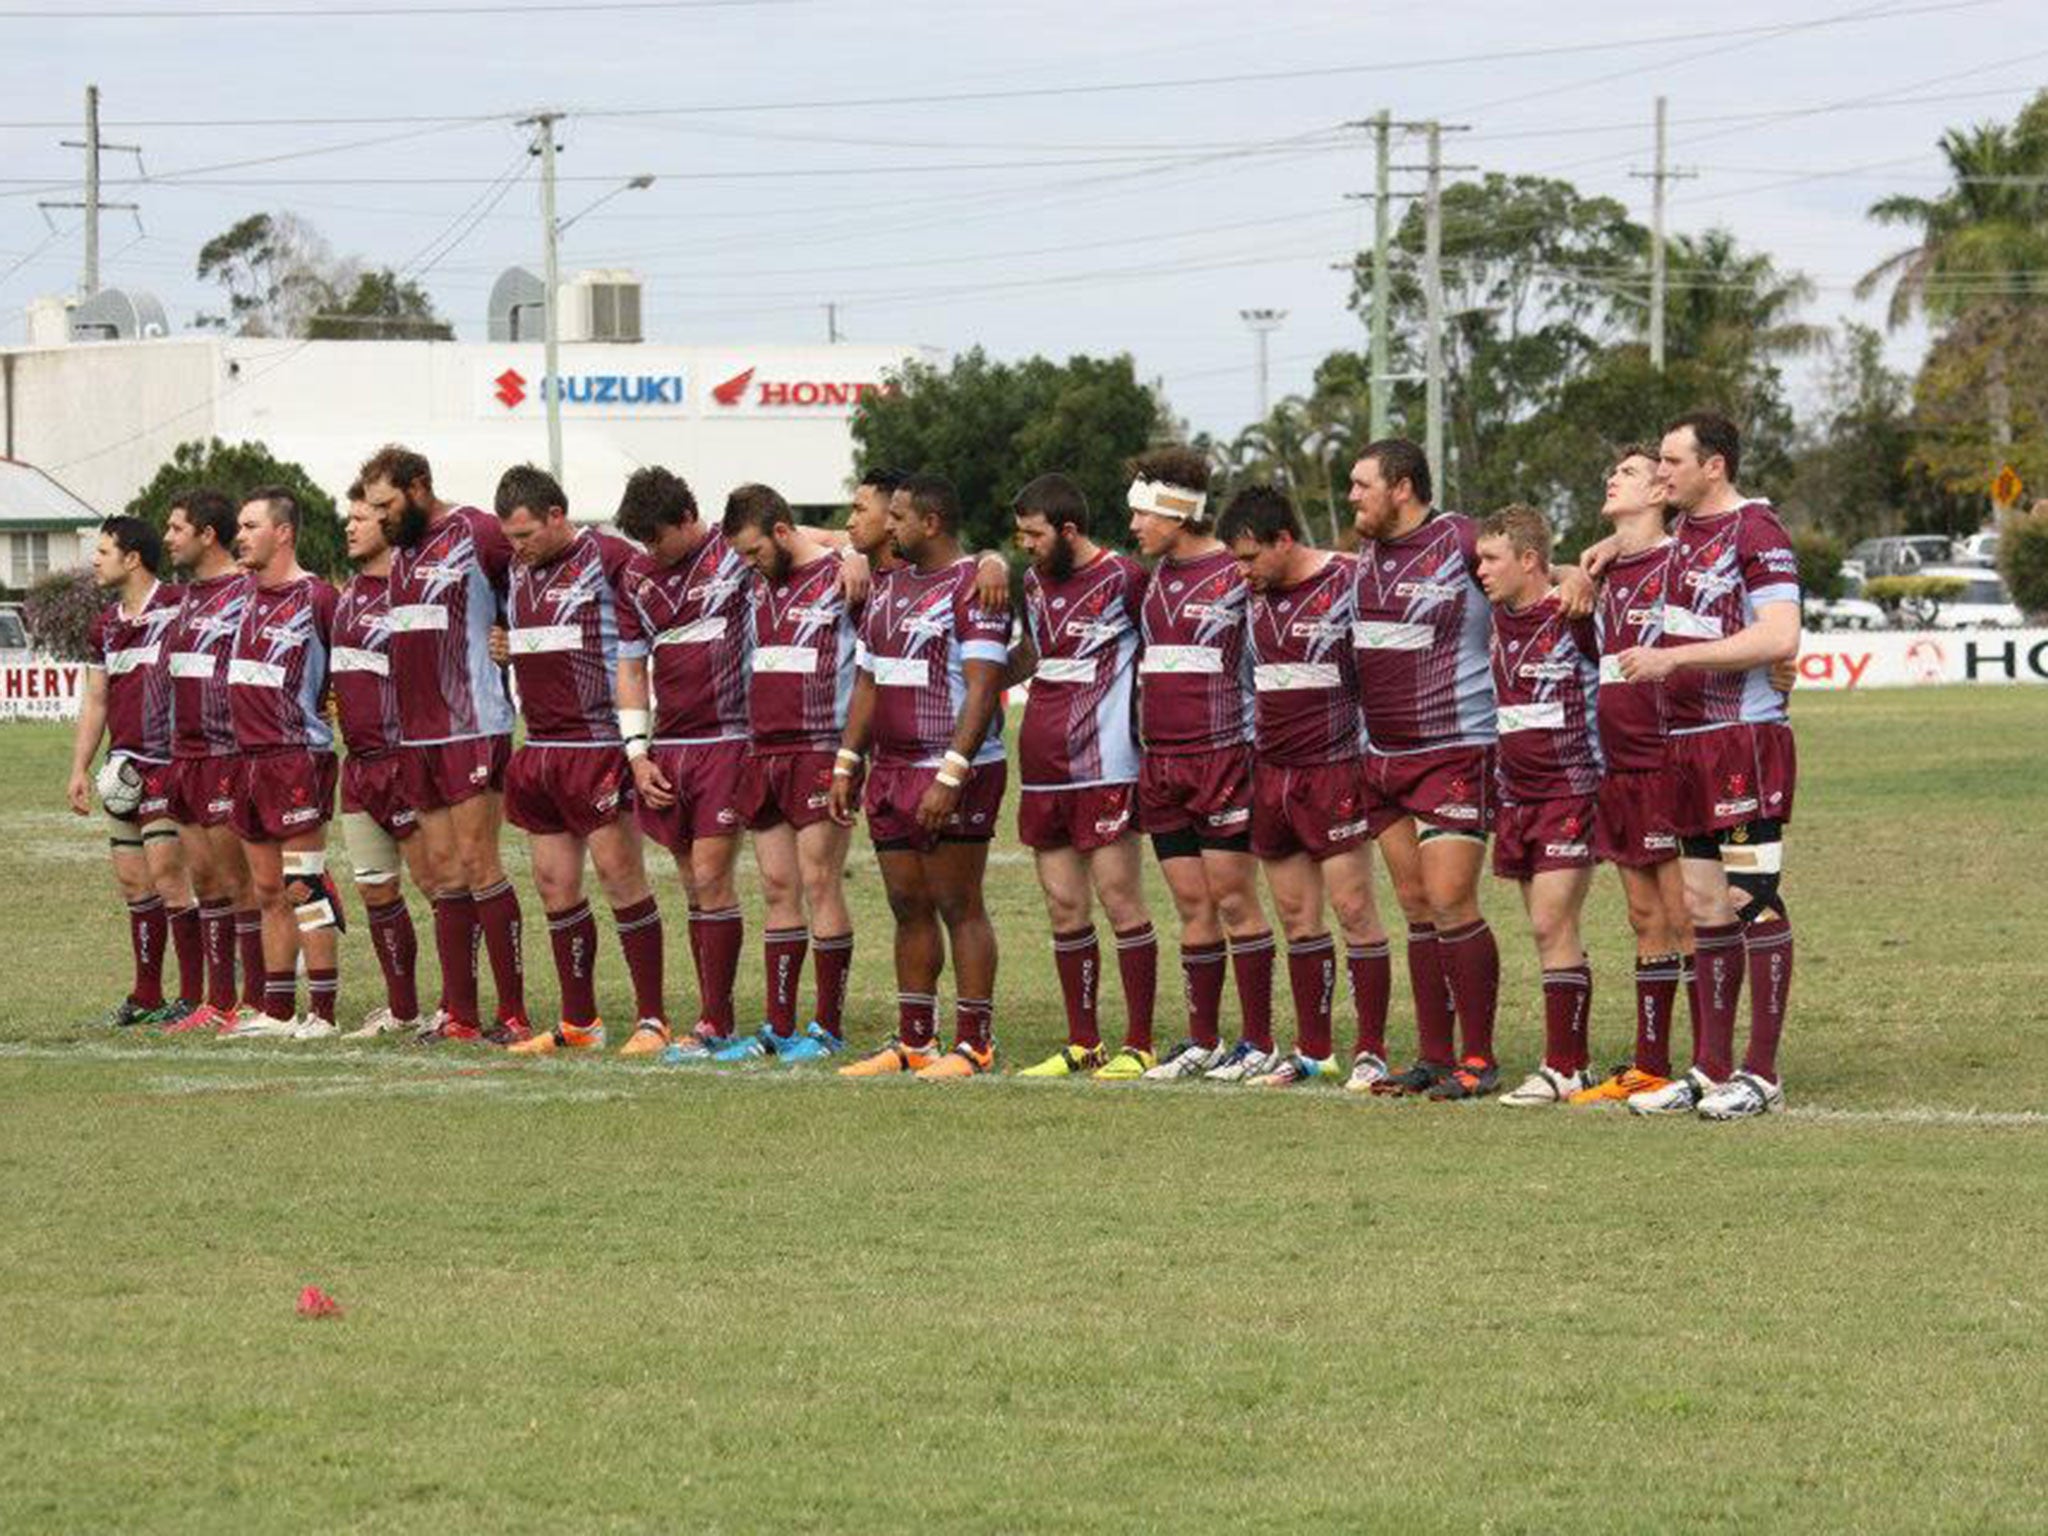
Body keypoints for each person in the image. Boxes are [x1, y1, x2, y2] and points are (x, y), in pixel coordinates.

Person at [1614, 413, 1801, 1121]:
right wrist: (1596, 554)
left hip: (1742, 739)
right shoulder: (1687, 530)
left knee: (1751, 899)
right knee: (1702, 906)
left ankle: (1761, 1073)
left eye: (1671, 461)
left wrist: (1674, 658)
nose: (1661, 473)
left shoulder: (1757, 531)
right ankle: (1708, 1068)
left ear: (1714, 465)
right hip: (1684, 741)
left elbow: (1781, 634)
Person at [486, 465, 670, 1058]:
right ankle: (580, 1021)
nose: (516, 548)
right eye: (510, 538)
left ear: (557, 516)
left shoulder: (611, 556)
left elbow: (651, 620)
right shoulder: (515, 570)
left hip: (597, 746)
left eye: (524, 535)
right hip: (540, 745)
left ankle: (652, 1018)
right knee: (553, 884)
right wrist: (510, 647)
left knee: (621, 877)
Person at [833, 472, 1009, 1081]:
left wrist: (951, 775)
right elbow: (867, 681)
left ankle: (975, 1044)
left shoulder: (975, 585)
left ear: (930, 523)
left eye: (901, 516)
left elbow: (984, 687)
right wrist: (847, 762)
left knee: (958, 903)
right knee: (906, 903)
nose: (892, 525)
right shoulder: (885, 587)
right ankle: (914, 1041)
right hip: (891, 769)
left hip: (953, 769)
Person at [1219, 485, 1391, 1088]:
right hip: (1273, 773)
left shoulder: (1348, 580)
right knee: (1296, 915)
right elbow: (1248, 678)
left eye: (1248, 558)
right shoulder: (1251, 596)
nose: (1240, 572)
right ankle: (1313, 1050)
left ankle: (1372, 1049)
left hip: (1337, 768)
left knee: (1353, 908)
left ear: (1283, 541)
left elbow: (1377, 672)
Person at [1347, 439, 1501, 1099]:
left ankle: (1481, 1058)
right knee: (1414, 905)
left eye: (1361, 485)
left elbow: (1531, 575)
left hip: (1455, 749)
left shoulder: (1463, 540)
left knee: (1450, 900)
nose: (1352, 496)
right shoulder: (1361, 558)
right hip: (1381, 759)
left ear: (1402, 487)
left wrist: (1580, 574)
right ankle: (1436, 1057)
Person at [361, 444, 528, 1044]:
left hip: (473, 725)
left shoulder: (478, 532)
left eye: (386, 505)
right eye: (372, 510)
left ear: (419, 485)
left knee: (480, 863)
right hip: (417, 735)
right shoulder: (401, 550)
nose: (379, 519)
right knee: (442, 875)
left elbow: (533, 583)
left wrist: (516, 634)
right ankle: (460, 1015)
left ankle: (512, 1014)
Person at [1123, 447, 1278, 1083]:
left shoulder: (1240, 573)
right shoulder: (1149, 578)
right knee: (1191, 906)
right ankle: (1203, 1039)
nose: (1133, 527)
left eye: (1142, 515)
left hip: (1225, 759)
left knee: (1236, 900)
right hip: (1161, 764)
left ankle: (1259, 1042)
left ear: (1177, 514)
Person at [1005, 472, 1160, 1081]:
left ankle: (1140, 1042)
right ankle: (1083, 1042)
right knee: (1064, 906)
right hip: (1043, 770)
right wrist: (980, 680)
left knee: (1121, 901)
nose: (1027, 545)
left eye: (1034, 535)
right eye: (1020, 536)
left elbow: (1158, 654)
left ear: (1069, 530)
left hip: (1107, 765)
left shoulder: (1126, 579)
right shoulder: (1032, 581)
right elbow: (1036, 654)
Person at [613, 466, 755, 1059]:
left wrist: (849, 555)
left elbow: (817, 542)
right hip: (672, 748)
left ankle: (716, 1021)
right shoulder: (638, 578)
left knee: (712, 875)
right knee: (692, 883)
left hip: (731, 738)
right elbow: (629, 668)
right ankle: (707, 1016)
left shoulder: (735, 550)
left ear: (686, 518)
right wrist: (638, 753)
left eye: (656, 538)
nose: (650, 551)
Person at [714, 483, 860, 1064]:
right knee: (777, 887)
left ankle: (827, 1027)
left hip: (822, 748)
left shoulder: (842, 576)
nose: (747, 565)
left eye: (752, 552)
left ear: (779, 532)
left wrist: (854, 551)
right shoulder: (755, 583)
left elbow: (905, 551)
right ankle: (778, 1025)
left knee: (819, 879)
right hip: (763, 749)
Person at [1570, 446, 1693, 1104]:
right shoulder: (1603, 574)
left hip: (1670, 761)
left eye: (1627, 473)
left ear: (1658, 493)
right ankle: (1651, 1064)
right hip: (1619, 767)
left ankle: (1710, 1065)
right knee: (1644, 917)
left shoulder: (1682, 562)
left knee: (1688, 915)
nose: (1611, 478)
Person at [1473, 506, 1605, 1105]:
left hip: (1570, 789)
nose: (1481, 570)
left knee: (1553, 922)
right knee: (1548, 929)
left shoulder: (1573, 613)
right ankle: (1570, 1062)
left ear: (1529, 562)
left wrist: (1579, 573)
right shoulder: (1499, 616)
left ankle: (1564, 1066)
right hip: (1515, 795)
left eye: (1492, 559)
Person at [219, 486, 343, 1039]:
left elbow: (351, 669)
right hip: (246, 759)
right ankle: (277, 1008)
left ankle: (322, 1013)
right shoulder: (239, 596)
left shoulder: (318, 597)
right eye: (239, 527)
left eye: (250, 526)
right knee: (266, 890)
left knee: (303, 886)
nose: (239, 536)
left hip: (297, 757)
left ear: (283, 532)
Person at [67, 515, 200, 1027]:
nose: (95, 561)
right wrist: (79, 767)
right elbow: (97, 700)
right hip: (123, 769)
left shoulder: (180, 607)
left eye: (102, 552)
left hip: (172, 763)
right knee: (133, 882)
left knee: (170, 877)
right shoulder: (105, 626)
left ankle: (192, 996)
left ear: (133, 558)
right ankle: (147, 995)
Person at [156, 488, 263, 1035]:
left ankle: (257, 998)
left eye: (177, 528)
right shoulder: (185, 595)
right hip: (186, 755)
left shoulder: (247, 591)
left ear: (208, 535)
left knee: (240, 880)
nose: (168, 538)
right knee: (205, 879)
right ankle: (218, 1001)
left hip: (229, 752)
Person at [330, 481, 434, 1039]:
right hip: (358, 765)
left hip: (406, 762)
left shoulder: (411, 592)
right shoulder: (344, 594)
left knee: (439, 886)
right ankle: (403, 1009)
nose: (350, 527)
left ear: (390, 524)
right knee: (375, 889)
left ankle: (459, 1010)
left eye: (361, 518)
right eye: (347, 518)